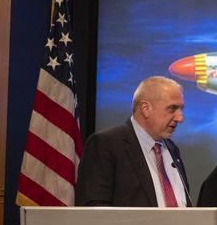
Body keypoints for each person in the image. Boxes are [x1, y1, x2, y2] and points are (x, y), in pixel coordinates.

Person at [75, 76, 190, 207]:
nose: (180, 118)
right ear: (146, 109)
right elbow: (94, 208)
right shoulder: (105, 144)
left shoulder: (172, 149)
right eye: (172, 108)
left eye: (181, 109)